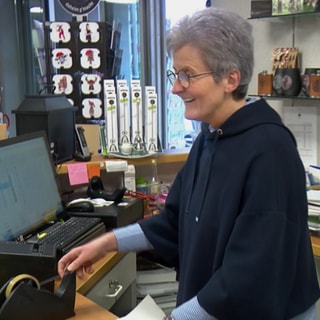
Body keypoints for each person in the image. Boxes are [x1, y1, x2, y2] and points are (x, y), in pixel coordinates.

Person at [58, 7, 320, 320]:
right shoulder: (209, 140)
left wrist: (179, 317)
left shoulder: (270, 150)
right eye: (175, 74)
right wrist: (106, 244)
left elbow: (250, 271)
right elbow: (173, 222)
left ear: (230, 78)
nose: (175, 87)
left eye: (187, 75)